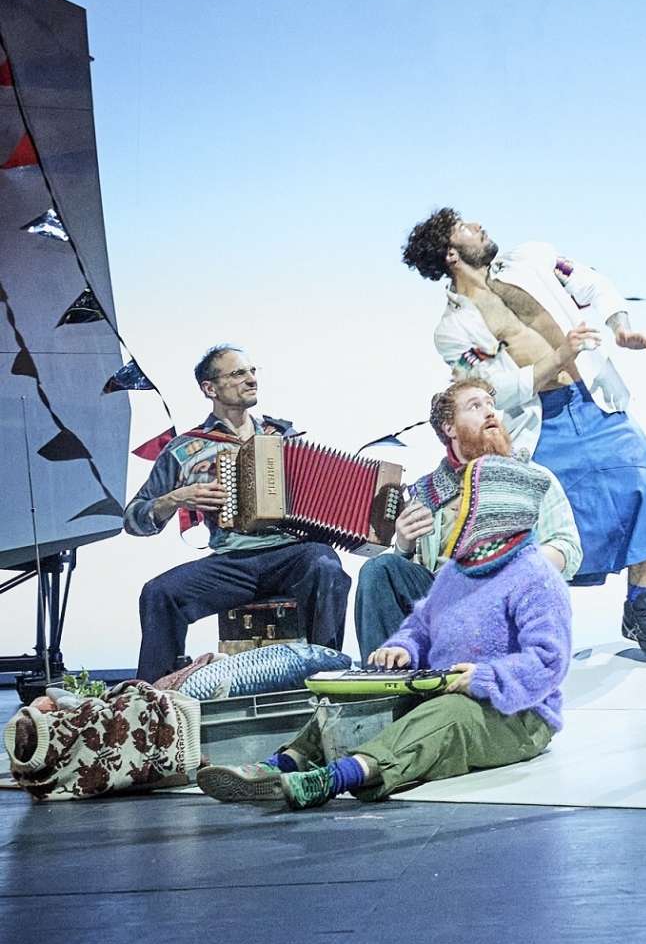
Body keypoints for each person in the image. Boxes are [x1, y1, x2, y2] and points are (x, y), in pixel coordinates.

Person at [196, 454, 572, 811]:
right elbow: (420, 629)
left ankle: (340, 776)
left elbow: (548, 662)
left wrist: (485, 678)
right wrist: (402, 648)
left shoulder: (535, 578)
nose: (458, 516)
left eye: (468, 508)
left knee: (449, 715)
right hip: (452, 688)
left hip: (519, 712)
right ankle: (285, 761)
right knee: (370, 698)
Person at [400, 209, 646, 660]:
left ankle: (638, 606)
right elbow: (492, 387)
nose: (480, 226)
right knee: (549, 530)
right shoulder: (452, 330)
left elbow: (593, 283)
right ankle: (529, 629)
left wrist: (620, 327)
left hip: (593, 399)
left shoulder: (534, 257)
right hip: (538, 422)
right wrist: (559, 356)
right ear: (451, 253)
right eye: (466, 227)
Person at [124, 345, 350, 683]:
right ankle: (154, 697)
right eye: (238, 373)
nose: (251, 379)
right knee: (159, 593)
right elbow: (133, 518)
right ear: (209, 388)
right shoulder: (184, 449)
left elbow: (322, 488)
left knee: (324, 563)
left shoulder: (282, 437)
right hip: (233, 562)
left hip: (288, 555)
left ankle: (325, 674)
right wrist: (173, 499)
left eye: (252, 371)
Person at [352, 373, 581, 663]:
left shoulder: (533, 477)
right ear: (450, 427)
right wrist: (405, 546)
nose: (489, 411)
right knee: (380, 568)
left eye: (490, 404)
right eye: (474, 406)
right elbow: (410, 580)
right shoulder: (427, 492)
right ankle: (383, 688)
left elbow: (567, 547)